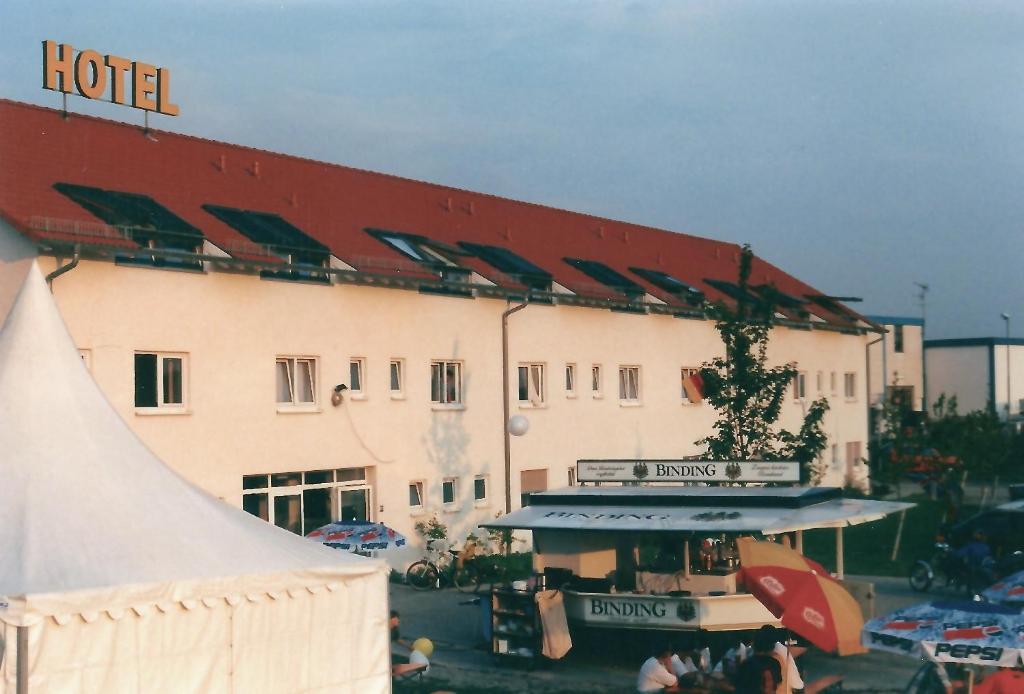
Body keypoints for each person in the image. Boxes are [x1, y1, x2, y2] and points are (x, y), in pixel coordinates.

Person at [734, 626, 783, 694]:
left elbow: (740, 687)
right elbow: (778, 683)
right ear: (772, 647)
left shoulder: (747, 664)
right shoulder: (775, 663)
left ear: (754, 645)